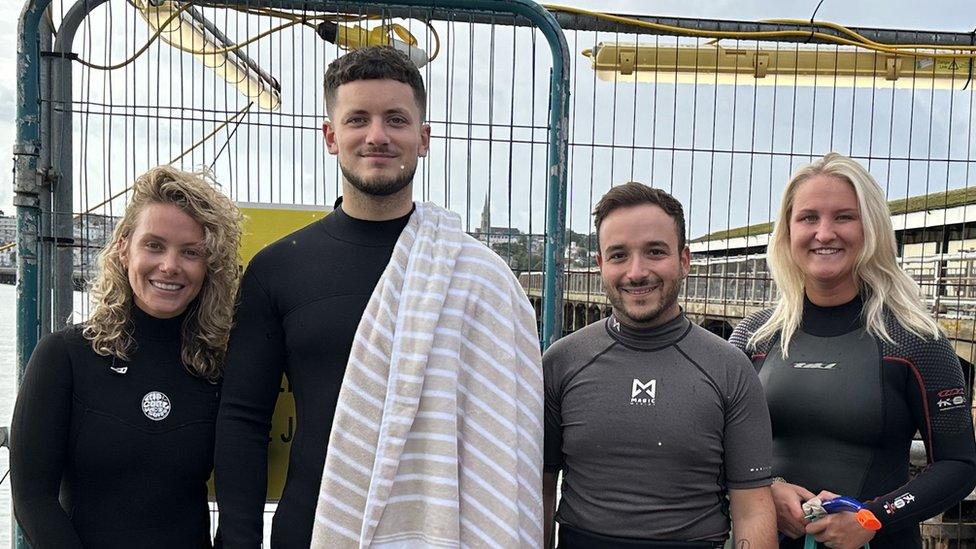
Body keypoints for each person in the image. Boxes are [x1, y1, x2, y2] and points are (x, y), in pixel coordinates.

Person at [214, 45, 542, 548]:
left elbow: (508, 433)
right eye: (357, 119)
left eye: (396, 119)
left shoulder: (481, 278)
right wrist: (238, 538)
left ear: (423, 138)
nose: (377, 136)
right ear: (331, 136)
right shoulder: (278, 269)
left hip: (446, 531)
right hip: (313, 526)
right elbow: (243, 416)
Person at [729, 152, 976, 549]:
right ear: (788, 231)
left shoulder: (916, 339)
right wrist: (767, 489)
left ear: (871, 228)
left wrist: (871, 517)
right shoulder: (754, 336)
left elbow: (959, 466)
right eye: (808, 217)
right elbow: (712, 441)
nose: (824, 233)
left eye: (844, 217)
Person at [10, 165, 243, 548]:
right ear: (123, 249)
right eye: (154, 245)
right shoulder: (64, 356)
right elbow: (33, 499)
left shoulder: (217, 364)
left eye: (190, 252)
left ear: (209, 266)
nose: (170, 265)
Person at [543, 182, 777, 549]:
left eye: (655, 252)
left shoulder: (730, 368)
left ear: (684, 260)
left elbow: (753, 509)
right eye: (618, 255)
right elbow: (540, 490)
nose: (637, 272)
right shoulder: (561, 362)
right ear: (601, 264)